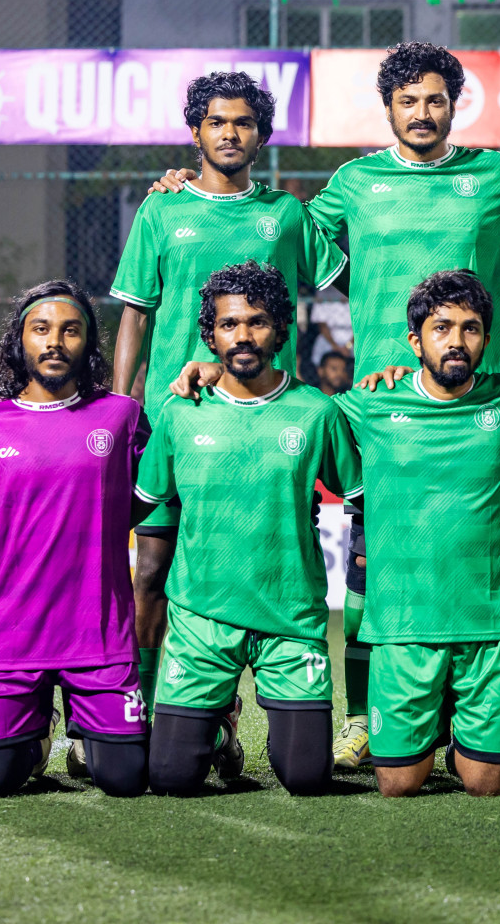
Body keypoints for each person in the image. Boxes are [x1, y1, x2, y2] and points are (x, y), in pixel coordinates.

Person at [160, 44, 500, 772]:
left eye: (435, 100)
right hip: (387, 406)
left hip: (478, 406)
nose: (422, 113)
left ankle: (488, 715)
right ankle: (363, 717)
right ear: (388, 109)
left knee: (482, 557)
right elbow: (268, 233)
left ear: (455, 106)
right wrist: (188, 184)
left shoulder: (499, 176)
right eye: (408, 101)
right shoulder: (352, 183)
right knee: (367, 568)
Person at [110, 71, 349, 743]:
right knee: (151, 572)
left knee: (259, 571)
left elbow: (354, 286)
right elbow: (135, 315)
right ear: (196, 131)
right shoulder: (162, 209)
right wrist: (126, 408)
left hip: (269, 430)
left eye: (243, 123)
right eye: (217, 122)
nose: (229, 133)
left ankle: (227, 718)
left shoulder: (289, 215)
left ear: (263, 136)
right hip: (173, 422)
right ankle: (140, 711)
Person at [136, 261, 362, 797]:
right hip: (199, 619)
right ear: (209, 335)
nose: (242, 335)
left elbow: (361, 503)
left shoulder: (316, 414)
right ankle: (219, 724)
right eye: (229, 323)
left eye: (257, 322)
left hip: (290, 622)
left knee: (307, 778)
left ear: (281, 329)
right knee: (169, 779)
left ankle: (232, 718)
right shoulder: (179, 414)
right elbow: (142, 508)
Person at [338, 270, 500, 797]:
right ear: (415, 340)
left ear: (487, 338)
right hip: (402, 623)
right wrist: (212, 377)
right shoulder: (370, 403)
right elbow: (296, 416)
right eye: (442, 328)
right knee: (396, 784)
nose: (457, 341)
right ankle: (430, 723)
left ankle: (458, 728)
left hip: (489, 622)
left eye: (471, 328)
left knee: (486, 785)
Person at [0, 280, 151, 797]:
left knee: (123, 780)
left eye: (70, 330)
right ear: (19, 342)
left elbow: (155, 493)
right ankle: (38, 729)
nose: (55, 341)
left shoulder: (121, 418)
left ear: (87, 343)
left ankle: (85, 731)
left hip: (98, 638)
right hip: (10, 637)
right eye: (41, 329)